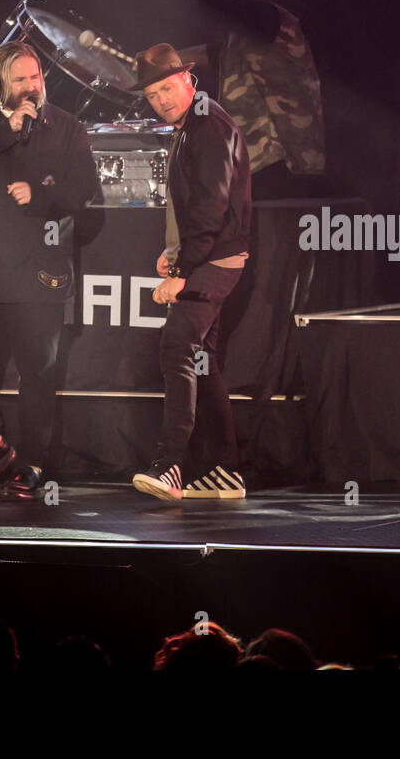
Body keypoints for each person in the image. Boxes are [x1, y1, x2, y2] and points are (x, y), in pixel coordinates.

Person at [0, 41, 99, 501]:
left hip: (37, 273)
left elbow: (85, 185)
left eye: (36, 77)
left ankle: (31, 462)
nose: (32, 87)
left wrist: (43, 196)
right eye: (21, 79)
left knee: (38, 371)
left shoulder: (65, 127)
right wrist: (6, 130)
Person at [130, 44, 252, 501]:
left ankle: (170, 467)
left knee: (177, 346)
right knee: (203, 360)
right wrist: (174, 250)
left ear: (188, 79)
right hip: (210, 255)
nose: (161, 99)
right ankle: (224, 471)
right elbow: (197, 203)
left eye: (167, 87)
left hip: (214, 262)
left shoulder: (207, 124)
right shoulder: (194, 123)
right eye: (151, 93)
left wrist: (183, 269)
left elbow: (213, 205)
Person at [187, 0, 325, 198]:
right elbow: (202, 55)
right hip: (271, 167)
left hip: (281, 164)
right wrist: (147, 62)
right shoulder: (247, 42)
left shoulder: (269, 19)